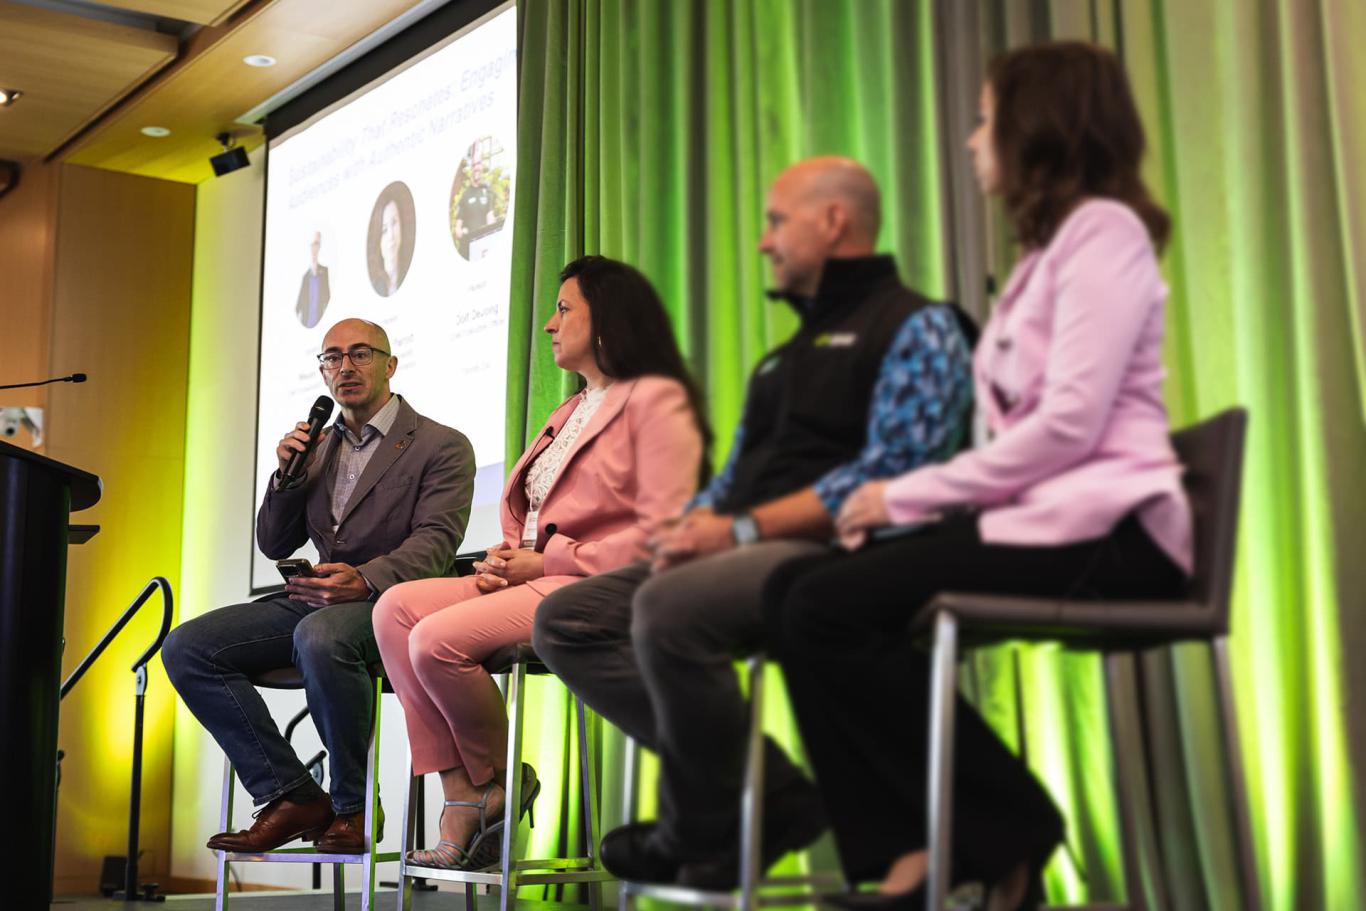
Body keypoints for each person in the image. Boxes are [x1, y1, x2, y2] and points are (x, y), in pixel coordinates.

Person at [764, 42, 1192, 911]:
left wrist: (902, 496)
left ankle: (996, 830)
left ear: (1039, 128)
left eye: (989, 119)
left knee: (818, 604)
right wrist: (892, 513)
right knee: (798, 593)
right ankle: (927, 848)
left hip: (1115, 533)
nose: (972, 140)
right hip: (1045, 522)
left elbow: (1067, 426)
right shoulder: (1049, 254)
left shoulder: (1103, 234)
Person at [532, 157, 977, 889]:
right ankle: (768, 791)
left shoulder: (917, 326)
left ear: (833, 222)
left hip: (838, 546)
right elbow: (735, 475)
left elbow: (903, 466)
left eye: (776, 223)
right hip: (744, 549)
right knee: (569, 618)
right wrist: (698, 525)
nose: (764, 243)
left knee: (667, 603)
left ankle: (700, 826)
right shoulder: (782, 362)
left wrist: (740, 530)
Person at [373, 256, 707, 870]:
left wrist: (550, 556)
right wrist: (509, 554)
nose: (549, 325)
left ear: (606, 320)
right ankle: (469, 793)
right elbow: (533, 509)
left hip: (595, 582)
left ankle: (492, 786)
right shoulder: (569, 410)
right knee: (395, 610)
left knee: (434, 642)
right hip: (538, 573)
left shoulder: (654, 403)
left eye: (564, 309)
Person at [162, 318, 475, 854]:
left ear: (390, 364)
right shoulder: (318, 446)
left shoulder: (441, 444)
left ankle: (352, 808)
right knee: (188, 647)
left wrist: (367, 579)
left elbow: (436, 543)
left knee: (322, 637)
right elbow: (274, 541)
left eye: (360, 354)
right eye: (332, 358)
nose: (345, 368)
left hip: (397, 602)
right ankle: (290, 794)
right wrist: (286, 475)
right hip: (318, 597)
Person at [454, 159, 497, 259]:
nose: (477, 169)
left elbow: (490, 217)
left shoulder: (487, 193)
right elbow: (457, 231)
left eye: (479, 167)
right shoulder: (465, 196)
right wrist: (463, 232)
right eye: (475, 167)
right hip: (467, 249)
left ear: (482, 171)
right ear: (472, 170)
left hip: (482, 247)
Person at [295, 231, 330, 328]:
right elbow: (298, 307)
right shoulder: (305, 277)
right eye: (313, 244)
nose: (315, 248)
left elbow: (327, 298)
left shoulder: (325, 272)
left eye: (317, 244)